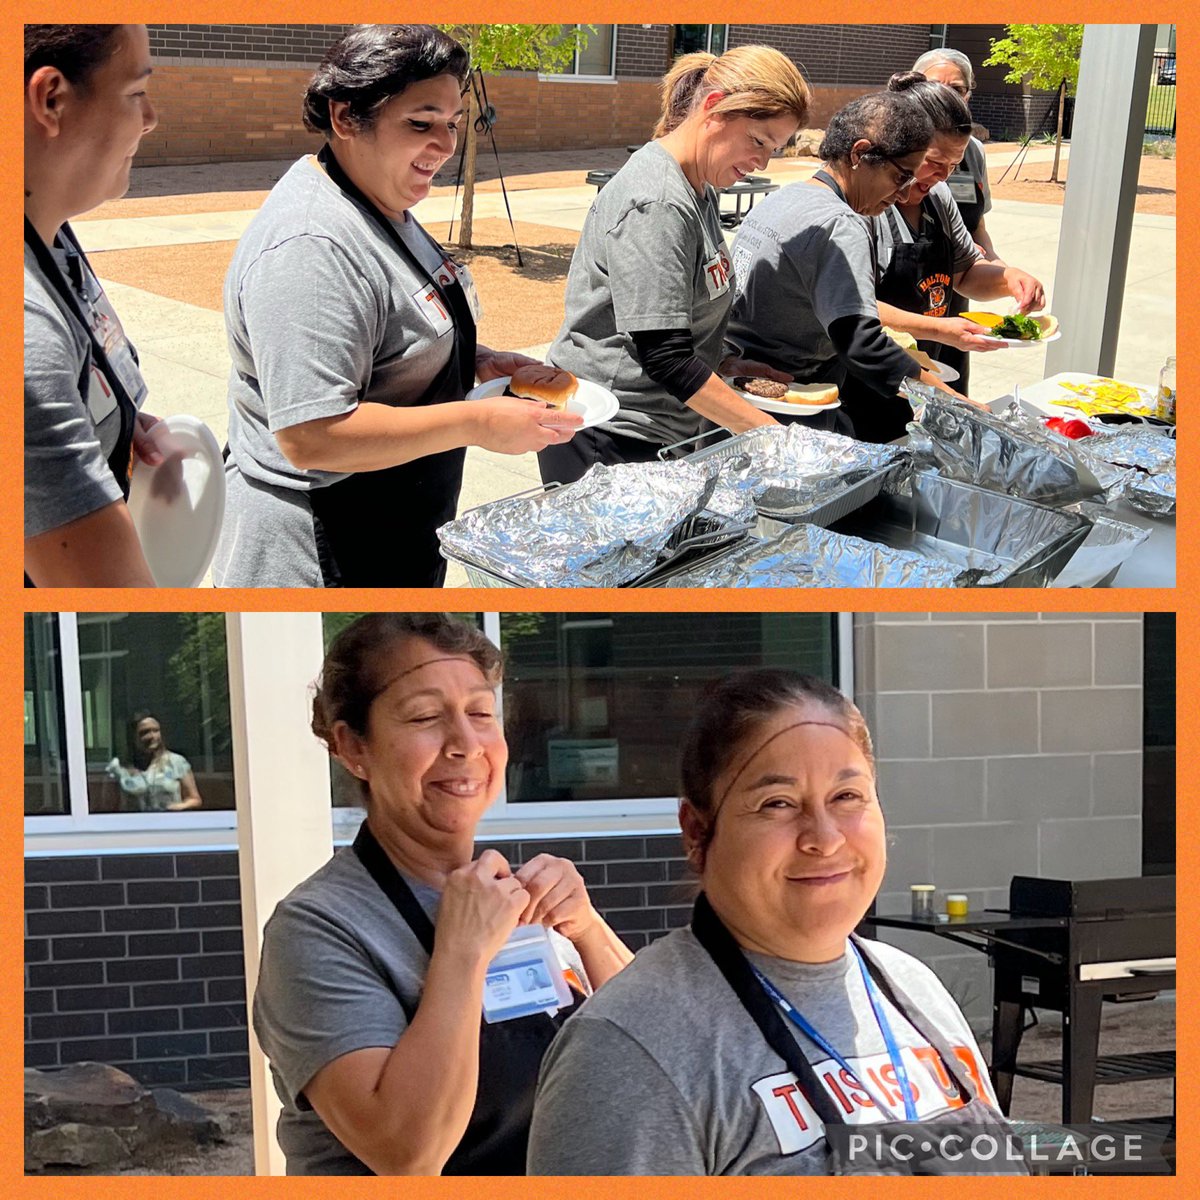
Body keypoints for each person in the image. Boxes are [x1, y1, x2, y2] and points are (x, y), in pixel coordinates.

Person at [529, 670, 1021, 1176]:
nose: (824, 838)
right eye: (778, 804)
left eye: (847, 797)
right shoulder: (626, 1052)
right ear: (697, 832)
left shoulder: (915, 987)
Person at [253, 614, 632, 1175]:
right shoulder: (316, 928)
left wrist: (589, 930)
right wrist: (462, 952)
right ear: (353, 746)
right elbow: (407, 1153)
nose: (465, 744)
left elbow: (665, 1060)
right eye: (426, 717)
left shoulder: (515, 895)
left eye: (481, 713)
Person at [213, 26, 581, 588]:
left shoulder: (378, 200)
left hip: (396, 524)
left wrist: (476, 362)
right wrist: (479, 421)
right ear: (344, 119)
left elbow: (384, 335)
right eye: (420, 122)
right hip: (323, 546)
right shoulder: (311, 245)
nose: (446, 144)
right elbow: (312, 433)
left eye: (453, 123)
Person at [537, 46, 812, 486]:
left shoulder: (698, 185)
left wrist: (723, 361)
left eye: (774, 150)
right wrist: (773, 437)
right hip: (611, 435)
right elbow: (664, 355)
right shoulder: (658, 201)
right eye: (758, 141)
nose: (762, 162)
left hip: (660, 429)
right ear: (713, 107)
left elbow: (677, 313)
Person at [725, 90, 966, 444]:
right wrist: (953, 403)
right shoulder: (841, 223)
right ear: (859, 154)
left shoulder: (781, 199)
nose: (903, 195)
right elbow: (863, 345)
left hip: (734, 396)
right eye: (901, 177)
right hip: (787, 410)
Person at [24, 24, 165, 587]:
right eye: (135, 93)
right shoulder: (27, 338)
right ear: (51, 98)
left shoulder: (48, 232)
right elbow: (114, 599)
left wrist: (107, 422)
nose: (151, 117)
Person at [869, 73, 1044, 413]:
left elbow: (965, 273)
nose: (942, 176)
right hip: (869, 381)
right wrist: (940, 328)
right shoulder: (865, 206)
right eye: (933, 163)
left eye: (953, 165)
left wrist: (1009, 279)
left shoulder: (938, 195)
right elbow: (854, 306)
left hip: (926, 379)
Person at [911, 48, 1005, 390]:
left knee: (950, 390)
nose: (940, 176)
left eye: (958, 89)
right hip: (899, 308)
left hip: (951, 296)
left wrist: (1003, 273)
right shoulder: (889, 156)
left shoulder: (973, 151)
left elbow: (977, 226)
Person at [105, 712, 204, 812]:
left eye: (156, 731)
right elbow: (107, 808)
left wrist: (178, 807)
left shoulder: (177, 762)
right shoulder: (117, 767)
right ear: (132, 737)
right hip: (134, 825)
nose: (152, 736)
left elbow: (194, 799)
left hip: (169, 824)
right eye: (145, 732)